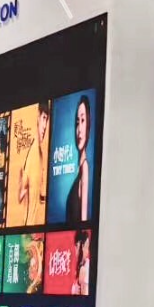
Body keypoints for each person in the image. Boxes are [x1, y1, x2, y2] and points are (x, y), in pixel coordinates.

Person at [17, 102, 50, 226]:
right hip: (29, 230)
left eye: (47, 120)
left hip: (36, 229)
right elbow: (21, 194)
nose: (45, 126)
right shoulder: (33, 153)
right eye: (43, 118)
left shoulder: (39, 153)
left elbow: (40, 196)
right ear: (38, 117)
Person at [66, 95, 91, 223]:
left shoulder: (84, 168)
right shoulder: (78, 169)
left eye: (83, 120)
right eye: (77, 123)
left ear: (88, 125)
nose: (79, 129)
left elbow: (83, 223)